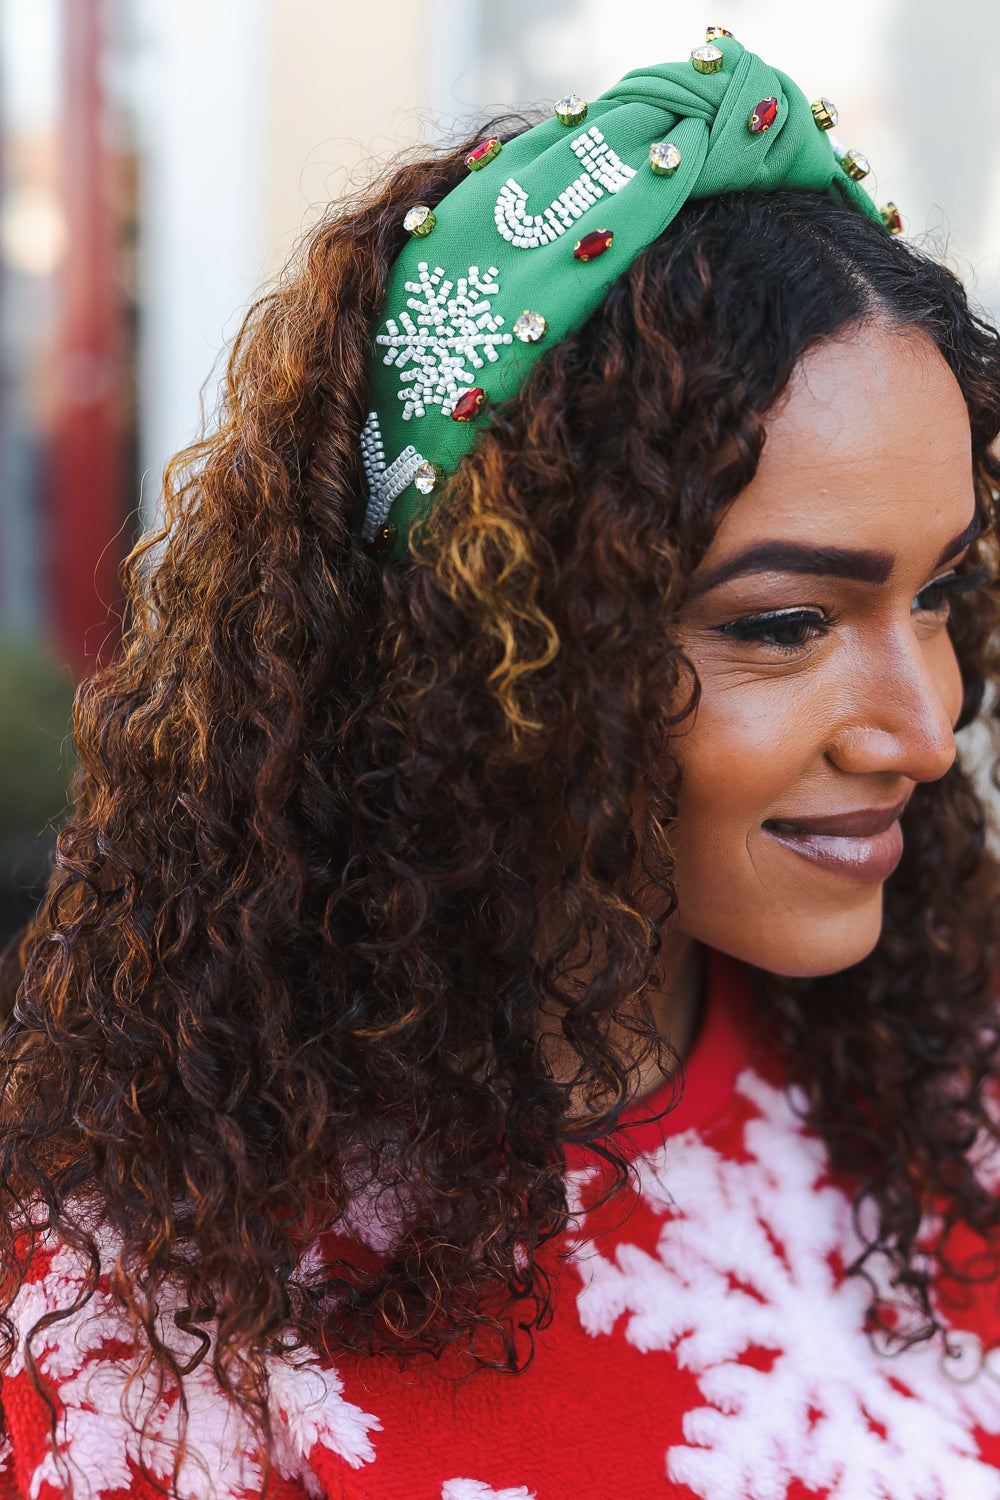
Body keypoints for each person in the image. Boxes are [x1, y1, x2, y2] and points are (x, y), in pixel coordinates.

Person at [0, 31, 999, 1500]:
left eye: (936, 593)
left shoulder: (955, 1094)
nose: (923, 727)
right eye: (786, 624)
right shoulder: (144, 1328)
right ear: (491, 646)